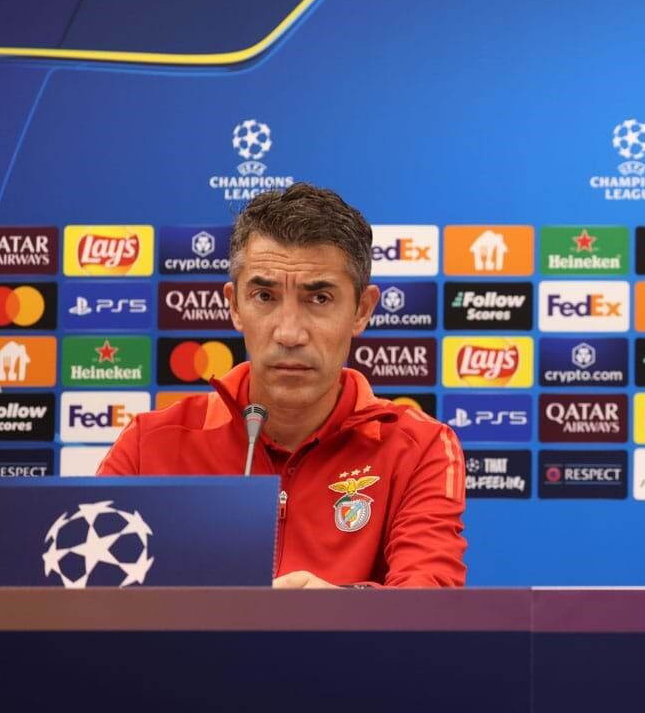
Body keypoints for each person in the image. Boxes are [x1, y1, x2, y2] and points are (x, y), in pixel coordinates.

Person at [98, 183, 466, 588]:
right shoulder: (149, 445)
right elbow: (86, 597)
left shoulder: (419, 447)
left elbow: (430, 600)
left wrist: (335, 610)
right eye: (264, 296)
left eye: (319, 298)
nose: (289, 333)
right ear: (234, 306)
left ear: (361, 310)